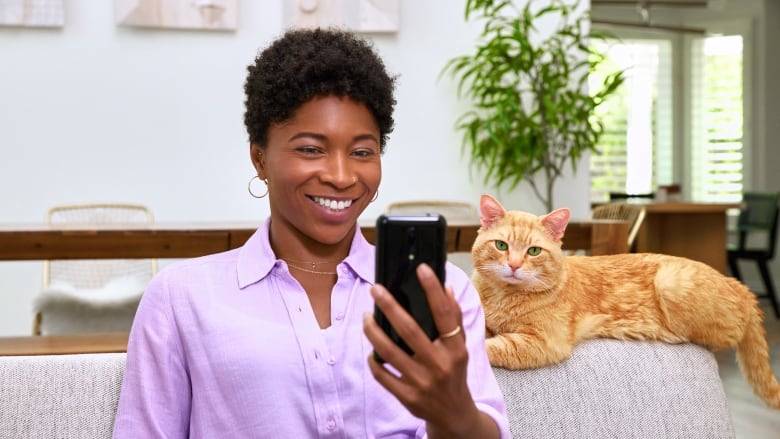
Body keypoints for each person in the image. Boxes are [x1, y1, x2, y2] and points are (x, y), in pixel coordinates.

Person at [113, 28, 510, 438]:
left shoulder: (443, 291)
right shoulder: (181, 299)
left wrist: (454, 411)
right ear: (260, 157)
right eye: (310, 149)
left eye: (362, 152)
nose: (341, 177)